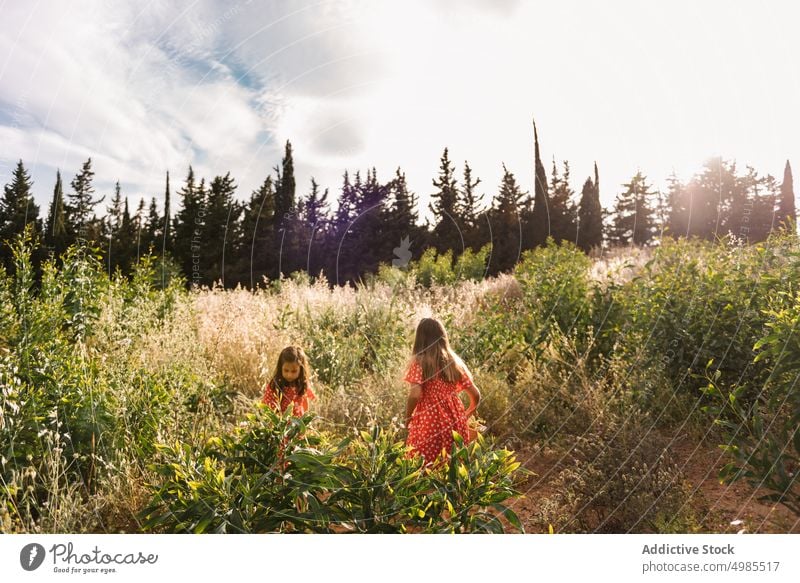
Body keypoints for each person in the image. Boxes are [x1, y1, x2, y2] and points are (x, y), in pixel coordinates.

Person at [403, 317, 481, 466]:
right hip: (456, 421)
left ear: (420, 339)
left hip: (428, 421)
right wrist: (466, 414)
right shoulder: (454, 362)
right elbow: (476, 394)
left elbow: (415, 394)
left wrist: (407, 417)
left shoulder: (419, 362)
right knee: (452, 468)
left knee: (424, 468)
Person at [262, 345, 316, 417]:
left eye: (294, 371)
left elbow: (305, 402)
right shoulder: (276, 384)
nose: (289, 375)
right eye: (286, 370)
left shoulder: (302, 383)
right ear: (280, 367)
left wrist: (305, 420)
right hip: (280, 424)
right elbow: (267, 406)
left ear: (301, 369)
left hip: (298, 424)